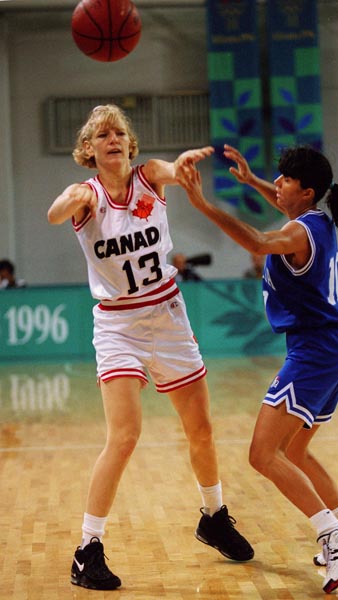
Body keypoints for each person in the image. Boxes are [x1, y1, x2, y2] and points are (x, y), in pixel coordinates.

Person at [47, 106, 253, 591]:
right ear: (89, 149)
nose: (113, 137)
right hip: (117, 326)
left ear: (129, 144)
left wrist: (182, 167)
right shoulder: (85, 196)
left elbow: (170, 170)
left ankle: (213, 516)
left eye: (119, 131)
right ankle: (87, 550)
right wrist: (70, 198)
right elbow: (54, 214)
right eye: (102, 134)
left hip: (168, 316)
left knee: (200, 430)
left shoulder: (148, 177)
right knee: (124, 435)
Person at [177, 143, 338, 594]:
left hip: (313, 351)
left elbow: (255, 242)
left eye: (286, 180)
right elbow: (281, 209)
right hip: (329, 348)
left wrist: (202, 204)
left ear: (306, 191)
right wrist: (252, 181)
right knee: (295, 453)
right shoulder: (316, 221)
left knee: (262, 454)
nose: (279, 183)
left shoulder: (296, 234)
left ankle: (335, 539)